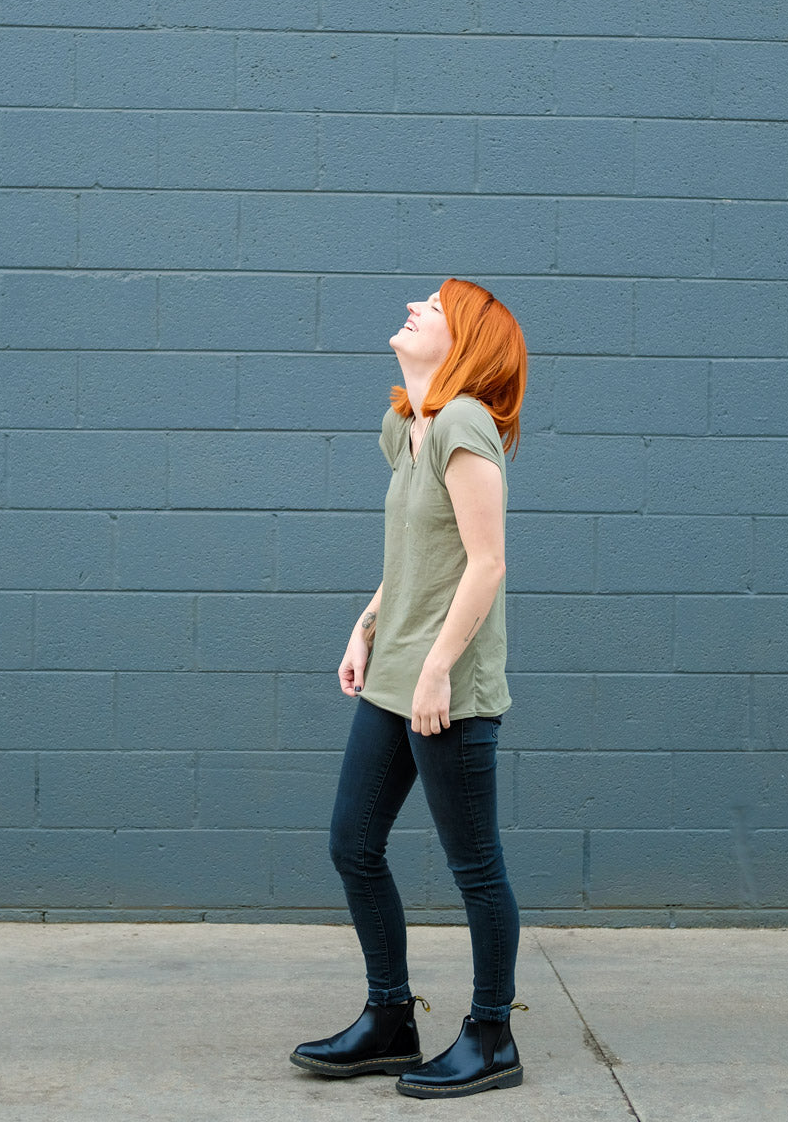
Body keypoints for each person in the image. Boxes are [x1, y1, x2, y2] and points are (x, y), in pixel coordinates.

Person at [290, 278, 529, 1099]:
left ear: (464, 336)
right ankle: (389, 1020)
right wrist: (366, 623)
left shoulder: (466, 425)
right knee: (351, 845)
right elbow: (416, 558)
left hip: (445, 690)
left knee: (475, 868)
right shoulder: (409, 427)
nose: (414, 306)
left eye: (433, 304)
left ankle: (491, 1034)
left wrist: (435, 666)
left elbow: (486, 562)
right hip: (396, 674)